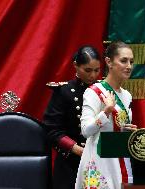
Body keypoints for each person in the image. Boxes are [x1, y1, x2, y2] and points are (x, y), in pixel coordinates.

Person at [75, 41, 137, 189]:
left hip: (120, 160)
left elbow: (116, 129)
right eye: (123, 61)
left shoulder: (127, 95)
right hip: (99, 162)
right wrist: (106, 111)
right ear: (109, 62)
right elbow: (85, 131)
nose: (129, 66)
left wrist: (128, 132)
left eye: (131, 61)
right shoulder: (94, 92)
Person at [43, 46, 101, 189]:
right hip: (70, 163)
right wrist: (77, 149)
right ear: (75, 65)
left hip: (99, 161)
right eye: (88, 70)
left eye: (97, 70)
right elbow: (52, 130)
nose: (93, 75)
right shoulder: (64, 92)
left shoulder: (103, 91)